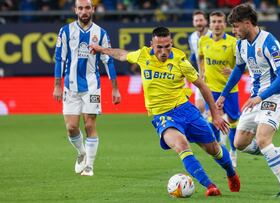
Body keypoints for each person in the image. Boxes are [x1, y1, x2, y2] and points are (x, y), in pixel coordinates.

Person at [89, 27, 240, 196]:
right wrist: (101, 49)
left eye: (167, 46)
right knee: (182, 145)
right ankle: (210, 186)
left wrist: (216, 115)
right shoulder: (143, 55)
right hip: (163, 116)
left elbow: (203, 86)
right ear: (151, 44)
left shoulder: (180, 61)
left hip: (186, 110)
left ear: (171, 44)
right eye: (159, 47)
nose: (163, 51)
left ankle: (231, 173)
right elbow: (122, 54)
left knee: (213, 149)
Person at [216, 4, 280, 197]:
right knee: (240, 143)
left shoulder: (269, 42)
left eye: (235, 26)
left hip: (274, 97)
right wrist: (223, 94)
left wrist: (261, 96)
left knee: (262, 139)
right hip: (255, 99)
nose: (233, 31)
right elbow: (238, 69)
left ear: (247, 23)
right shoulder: (240, 44)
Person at [52, 0, 121, 177]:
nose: (84, 11)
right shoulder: (66, 31)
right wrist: (57, 86)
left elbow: (108, 60)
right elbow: (60, 59)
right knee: (71, 127)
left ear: (93, 9)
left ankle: (89, 166)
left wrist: (115, 88)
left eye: (87, 8)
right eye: (80, 8)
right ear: (75, 10)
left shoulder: (101, 33)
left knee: (90, 124)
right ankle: (81, 152)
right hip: (70, 86)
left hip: (92, 86)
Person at [198, 10, 240, 168]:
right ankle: (218, 151)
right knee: (212, 119)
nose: (217, 25)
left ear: (225, 24)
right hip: (211, 89)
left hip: (229, 90)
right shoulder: (203, 41)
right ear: (209, 24)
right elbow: (201, 57)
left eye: (220, 22)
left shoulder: (232, 42)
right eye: (214, 22)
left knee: (234, 120)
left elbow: (244, 65)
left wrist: (234, 71)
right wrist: (202, 74)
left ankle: (234, 151)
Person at [188, 10, 211, 118]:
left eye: (201, 20)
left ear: (206, 21)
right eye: (196, 20)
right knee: (199, 108)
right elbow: (194, 55)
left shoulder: (213, 36)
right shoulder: (192, 37)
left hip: (215, 77)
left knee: (214, 109)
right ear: (193, 22)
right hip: (201, 77)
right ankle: (207, 133)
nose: (199, 23)